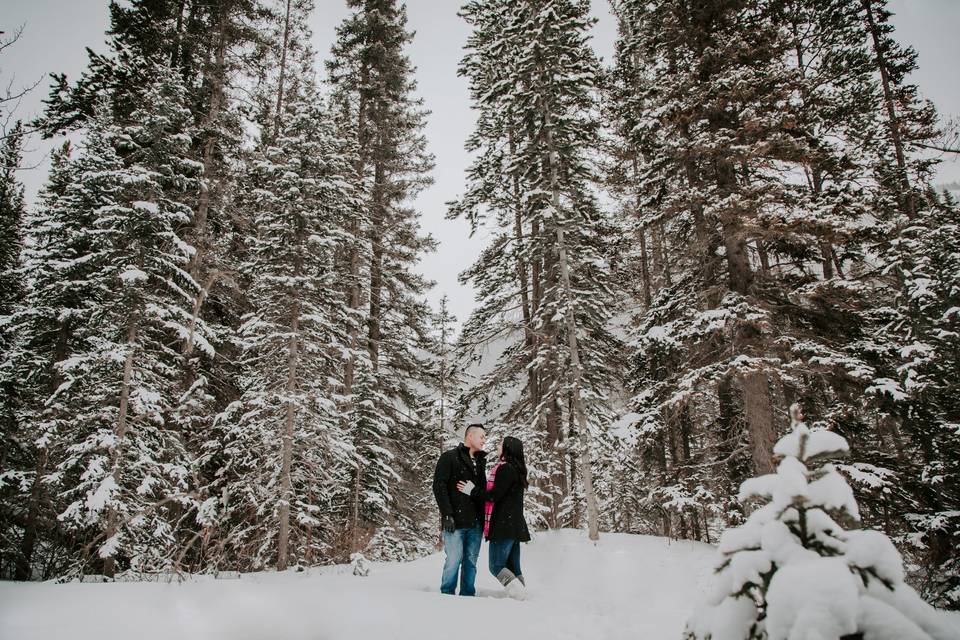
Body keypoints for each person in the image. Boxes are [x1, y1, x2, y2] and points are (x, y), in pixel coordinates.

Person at [458, 435, 530, 599]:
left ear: (507, 449)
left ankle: (519, 595)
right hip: (514, 525)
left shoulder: (505, 468)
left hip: (504, 525)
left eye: (500, 444)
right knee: (513, 566)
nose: (497, 446)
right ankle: (521, 595)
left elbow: (494, 495)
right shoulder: (516, 469)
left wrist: (472, 491)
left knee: (496, 565)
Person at [432, 423, 487, 596]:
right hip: (455, 521)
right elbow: (438, 486)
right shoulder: (449, 457)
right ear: (470, 436)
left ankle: (468, 596)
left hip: (476, 523)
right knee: (454, 560)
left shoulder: (480, 462)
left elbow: (482, 493)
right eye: (482, 436)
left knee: (471, 562)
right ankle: (446, 594)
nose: (484, 440)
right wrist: (447, 514)